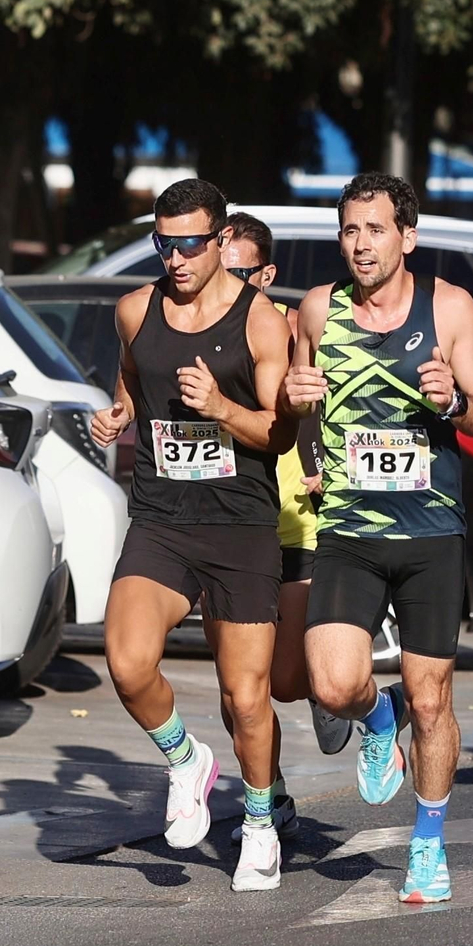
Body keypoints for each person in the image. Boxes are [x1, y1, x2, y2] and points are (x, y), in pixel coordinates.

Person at [282, 173, 473, 903]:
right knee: (333, 683)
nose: (360, 244)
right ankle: (379, 719)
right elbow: (292, 417)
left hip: (431, 531)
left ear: (407, 236)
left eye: (375, 230)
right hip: (348, 528)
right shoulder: (317, 310)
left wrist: (454, 399)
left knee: (433, 698)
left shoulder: (448, 307)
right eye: (349, 230)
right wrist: (293, 403)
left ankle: (429, 846)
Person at [88, 179, 295, 892]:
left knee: (246, 698)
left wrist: (220, 407)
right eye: (163, 243)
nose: (175, 258)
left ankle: (261, 825)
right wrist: (117, 414)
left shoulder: (262, 321)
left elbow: (277, 430)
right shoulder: (134, 310)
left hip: (240, 525)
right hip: (161, 518)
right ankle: (186, 762)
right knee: (127, 663)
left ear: (219, 240)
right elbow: (130, 379)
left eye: (189, 245)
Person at [219, 213, 354, 815]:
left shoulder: (301, 329)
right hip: (228, 524)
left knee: (286, 683)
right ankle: (268, 796)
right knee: (238, 689)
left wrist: (334, 465)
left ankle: (334, 692)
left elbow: (341, 408)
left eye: (239, 274)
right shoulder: (195, 330)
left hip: (299, 523)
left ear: (268, 274)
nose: (221, 283)